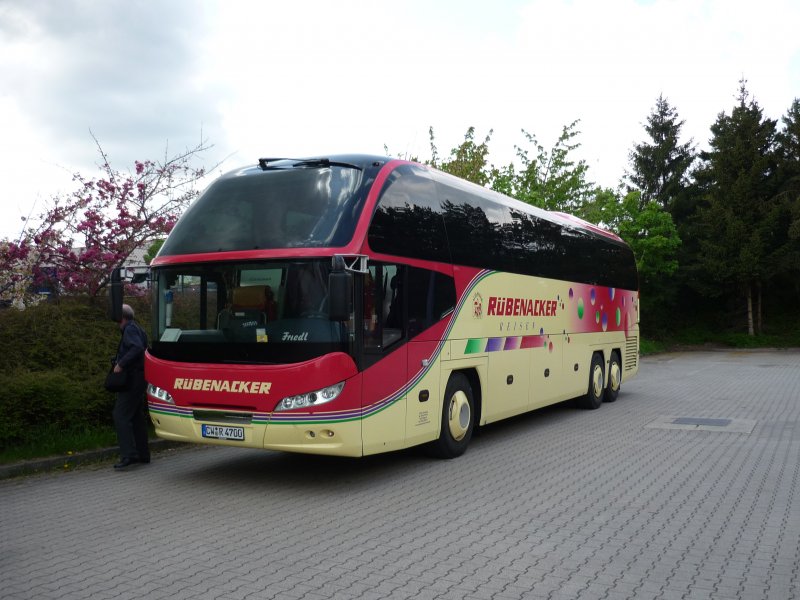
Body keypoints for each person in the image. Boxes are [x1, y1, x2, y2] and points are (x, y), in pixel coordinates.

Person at [112, 304, 150, 470]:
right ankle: (143, 453)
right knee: (135, 416)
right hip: (141, 376)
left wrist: (121, 363)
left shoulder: (130, 330)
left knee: (120, 415)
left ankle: (129, 454)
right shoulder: (137, 328)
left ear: (121, 317)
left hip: (133, 377)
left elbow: (136, 348)